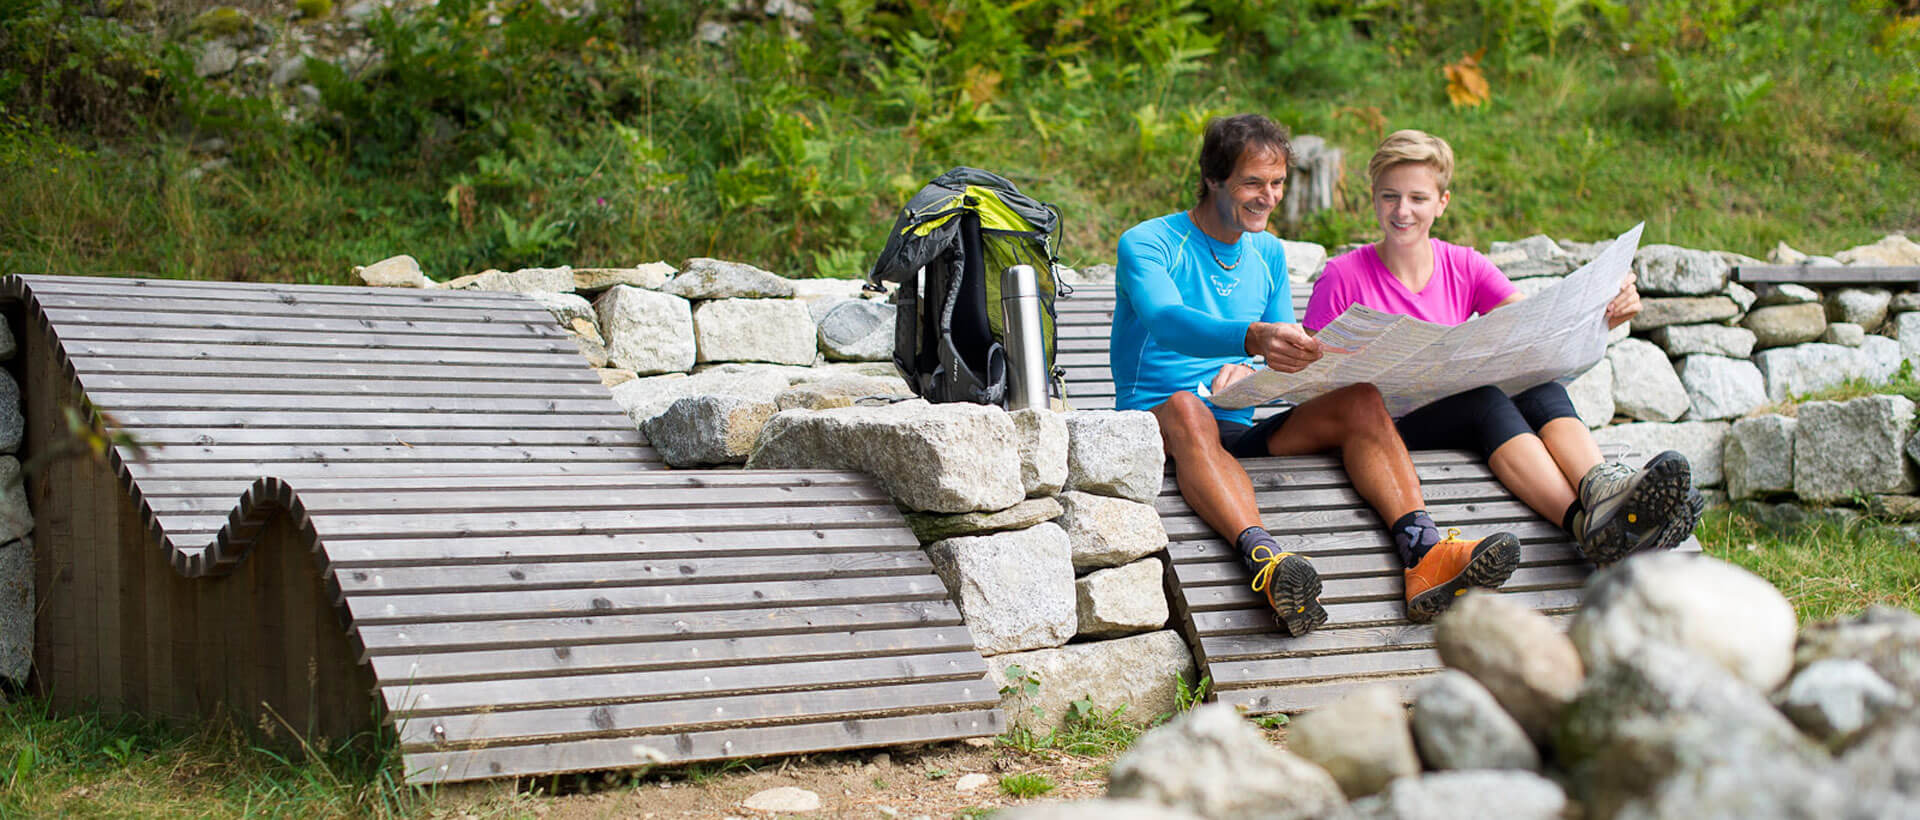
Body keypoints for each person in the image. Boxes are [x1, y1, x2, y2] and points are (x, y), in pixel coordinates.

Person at [1112, 114, 1520, 635]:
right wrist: (1251, 339)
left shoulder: (1268, 252)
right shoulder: (1148, 243)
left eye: (1277, 183)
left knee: (1359, 398)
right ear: (1213, 178)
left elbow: (1280, 348)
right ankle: (1266, 561)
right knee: (1188, 407)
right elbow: (1165, 321)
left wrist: (1262, 365)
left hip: (1235, 422)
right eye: (1252, 183)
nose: (1268, 197)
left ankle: (1425, 556)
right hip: (1156, 423)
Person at [1304, 129, 1701, 567]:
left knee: (1538, 387)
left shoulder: (1465, 265)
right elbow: (1314, 385)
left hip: (1451, 412)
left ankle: (1602, 489)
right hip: (1384, 435)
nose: (1402, 211)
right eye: (1389, 196)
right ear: (1374, 198)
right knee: (1484, 401)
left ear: (1443, 202)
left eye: (1418, 198)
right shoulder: (1341, 277)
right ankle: (1587, 527)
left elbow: (1535, 333)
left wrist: (1606, 311)